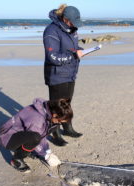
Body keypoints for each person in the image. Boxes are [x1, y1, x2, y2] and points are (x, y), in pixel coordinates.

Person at [43, 4, 84, 146]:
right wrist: (73, 55)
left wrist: (80, 51)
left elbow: (73, 47)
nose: (75, 25)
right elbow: (52, 56)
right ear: (65, 19)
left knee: (67, 104)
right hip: (56, 75)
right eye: (73, 22)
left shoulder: (72, 29)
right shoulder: (51, 31)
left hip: (71, 72)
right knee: (56, 107)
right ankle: (55, 133)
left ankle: (67, 127)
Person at [0, 98, 73, 173]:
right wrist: (46, 156)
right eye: (60, 121)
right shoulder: (37, 119)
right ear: (55, 115)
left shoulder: (48, 109)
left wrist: (48, 151)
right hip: (7, 137)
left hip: (22, 133)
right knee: (34, 138)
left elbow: (42, 133)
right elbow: (37, 136)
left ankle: (26, 149)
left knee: (53, 126)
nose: (60, 123)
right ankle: (16, 160)